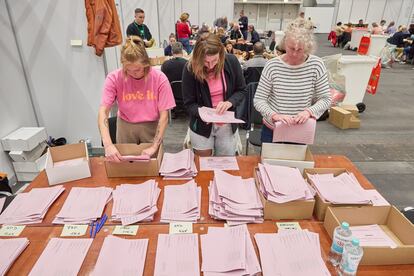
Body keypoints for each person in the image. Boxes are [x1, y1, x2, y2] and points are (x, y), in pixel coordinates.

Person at [98, 36, 176, 161]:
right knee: (125, 166)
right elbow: (103, 112)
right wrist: (108, 145)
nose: (133, 73)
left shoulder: (159, 78)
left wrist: (155, 145)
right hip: (125, 126)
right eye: (128, 70)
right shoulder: (114, 78)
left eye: (137, 69)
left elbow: (164, 116)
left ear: (146, 64)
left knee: (153, 164)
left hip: (151, 126)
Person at [253, 19, 331, 143]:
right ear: (284, 43)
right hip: (272, 129)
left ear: (308, 47)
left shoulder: (316, 65)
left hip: (300, 130)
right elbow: (259, 100)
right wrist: (274, 116)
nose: (294, 53)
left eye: (299, 49)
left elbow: (326, 98)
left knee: (295, 161)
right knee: (270, 161)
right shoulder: (272, 66)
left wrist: (308, 112)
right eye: (290, 48)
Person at [182, 33, 246, 156]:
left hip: (226, 124)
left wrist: (229, 102)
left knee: (225, 163)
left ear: (221, 55)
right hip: (201, 125)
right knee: (203, 164)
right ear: (198, 58)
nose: (211, 66)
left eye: (215, 60)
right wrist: (204, 114)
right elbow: (189, 103)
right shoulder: (190, 69)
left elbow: (242, 90)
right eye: (206, 62)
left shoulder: (231, 62)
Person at [161, 42, 188, 117]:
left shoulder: (165, 65)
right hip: (187, 94)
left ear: (172, 52)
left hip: (171, 94)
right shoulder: (188, 64)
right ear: (182, 51)